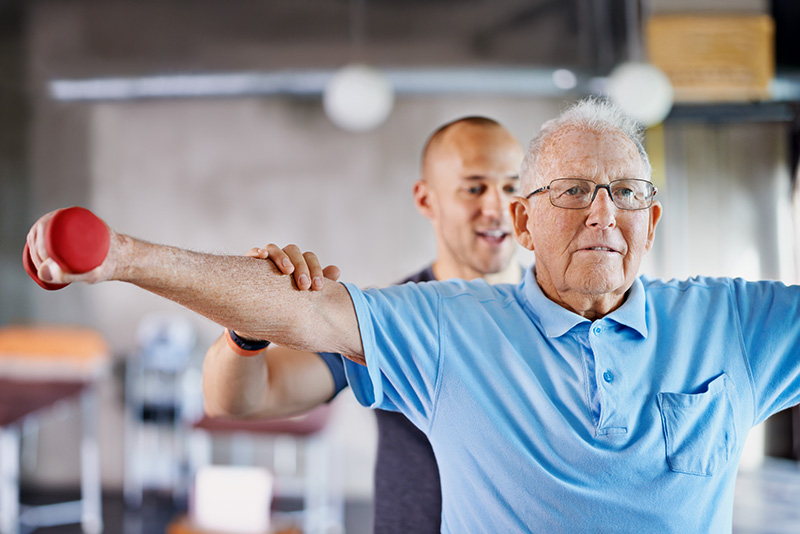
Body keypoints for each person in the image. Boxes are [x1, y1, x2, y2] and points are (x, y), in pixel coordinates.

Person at [25, 98, 800, 533]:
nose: (602, 213)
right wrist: (119, 256)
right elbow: (261, 362)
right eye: (569, 191)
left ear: (652, 218)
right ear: (526, 222)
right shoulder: (436, 321)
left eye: (625, 192)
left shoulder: (728, 322)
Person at [201, 116, 525, 533]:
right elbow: (238, 400)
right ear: (426, 200)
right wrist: (248, 327)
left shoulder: (554, 311)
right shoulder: (388, 318)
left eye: (513, 186)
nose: (497, 207)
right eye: (474, 188)